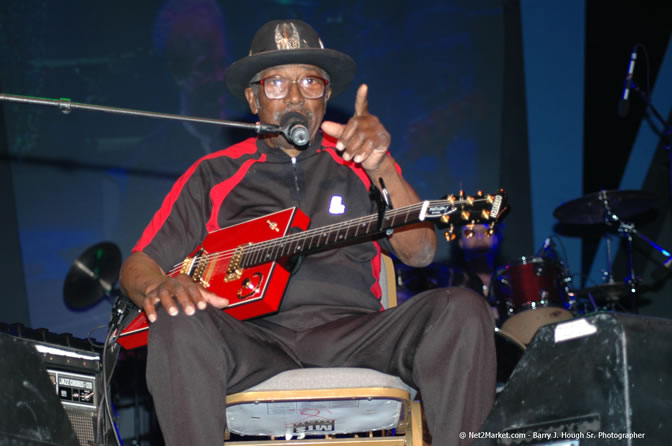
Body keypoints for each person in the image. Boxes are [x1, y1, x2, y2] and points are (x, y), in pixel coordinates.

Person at [119, 19, 496, 445]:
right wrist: (158, 288)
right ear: (253, 98)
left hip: (355, 335)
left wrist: (382, 167)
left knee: (462, 309)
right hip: (252, 343)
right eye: (277, 83)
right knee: (175, 319)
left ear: (327, 95)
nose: (296, 96)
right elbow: (138, 264)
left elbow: (421, 252)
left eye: (310, 82)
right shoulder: (214, 174)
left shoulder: (360, 163)